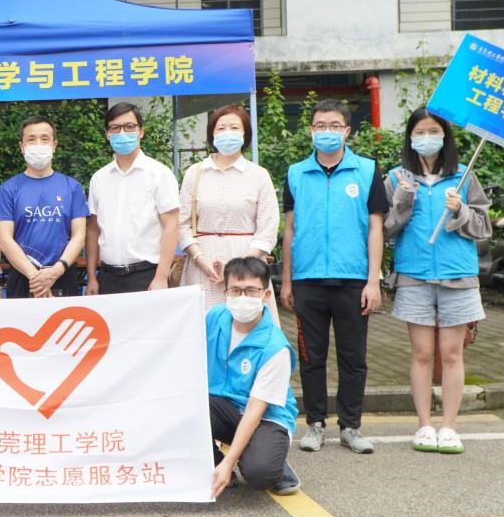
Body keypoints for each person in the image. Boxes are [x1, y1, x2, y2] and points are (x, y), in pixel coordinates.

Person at [280, 99, 388, 456]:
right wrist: (286, 280)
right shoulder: (296, 173)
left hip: (353, 279)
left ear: (347, 130)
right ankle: (315, 424)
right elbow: (289, 229)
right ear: (311, 130)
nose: (326, 131)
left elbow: (375, 228)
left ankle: (351, 426)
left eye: (334, 125)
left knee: (353, 358)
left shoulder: (367, 170)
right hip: (308, 279)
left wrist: (373, 281)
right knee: (311, 357)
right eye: (320, 125)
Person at [385, 108, 490, 455]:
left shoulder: (464, 177)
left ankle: (449, 426)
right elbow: (384, 229)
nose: (426, 137)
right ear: (410, 137)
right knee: (422, 353)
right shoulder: (396, 178)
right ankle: (424, 425)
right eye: (420, 131)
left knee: (451, 353)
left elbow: (483, 228)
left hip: (458, 276)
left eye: (433, 131)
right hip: (413, 276)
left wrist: (461, 210)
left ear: (445, 136)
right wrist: (403, 202)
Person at [208, 257, 301, 498]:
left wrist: (230, 461)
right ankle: (215, 464)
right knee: (186, 407)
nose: (242, 298)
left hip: (265, 417)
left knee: (260, 473)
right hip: (223, 407)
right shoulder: (214, 318)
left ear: (266, 295)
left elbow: (254, 412)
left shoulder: (275, 347)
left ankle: (273, 458)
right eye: (235, 290)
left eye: (251, 291)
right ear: (225, 292)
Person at [178, 105, 280, 309]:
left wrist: (239, 266)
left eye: (234, 128)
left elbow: (268, 228)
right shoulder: (195, 173)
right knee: (203, 322)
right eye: (221, 128)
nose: (228, 133)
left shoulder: (258, 175)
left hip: (247, 266)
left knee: (246, 321)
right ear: (212, 134)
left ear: (245, 134)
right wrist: (200, 259)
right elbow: (181, 224)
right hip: (202, 263)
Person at [85, 102, 180, 295]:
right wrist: (92, 277)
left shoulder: (159, 174)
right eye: (115, 128)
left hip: (147, 276)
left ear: (141, 132)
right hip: (107, 277)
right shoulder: (99, 178)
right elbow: (93, 229)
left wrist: (161, 277)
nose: (122, 133)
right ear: (108, 134)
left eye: (129, 127)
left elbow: (172, 226)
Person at [0, 117, 89, 298]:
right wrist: (36, 278)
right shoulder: (8, 189)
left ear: (54, 145)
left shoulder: (73, 187)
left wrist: (55, 272)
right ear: (22, 146)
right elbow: (4, 240)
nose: (38, 144)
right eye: (31, 139)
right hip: (23, 278)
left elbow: (79, 236)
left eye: (45, 139)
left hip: (63, 274)